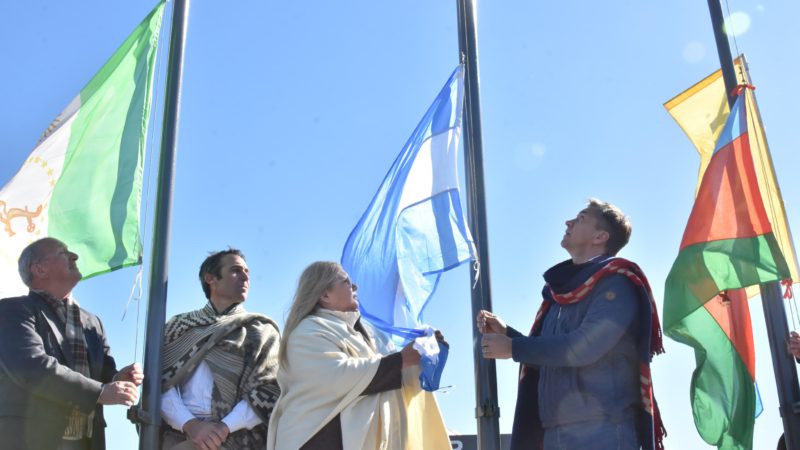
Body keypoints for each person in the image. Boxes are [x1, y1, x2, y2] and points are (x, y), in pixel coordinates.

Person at [477, 199, 665, 450]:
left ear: (600, 236)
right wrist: (507, 333)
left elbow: (585, 346)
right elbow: (550, 354)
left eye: (581, 218)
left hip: (605, 432)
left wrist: (512, 347)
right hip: (556, 435)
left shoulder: (617, 283)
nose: (569, 222)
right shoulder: (559, 295)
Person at [267, 261, 451, 450]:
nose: (355, 286)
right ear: (325, 294)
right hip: (318, 440)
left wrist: (424, 356)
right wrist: (402, 359)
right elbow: (335, 376)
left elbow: (396, 377)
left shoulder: (372, 333)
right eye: (346, 281)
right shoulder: (307, 331)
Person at [0, 237, 143, 450]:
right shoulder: (13, 311)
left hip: (86, 441)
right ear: (39, 269)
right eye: (62, 252)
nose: (74, 256)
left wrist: (117, 378)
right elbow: (31, 367)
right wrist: (101, 392)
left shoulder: (93, 323)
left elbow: (103, 374)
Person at [160, 249, 281, 450]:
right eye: (236, 270)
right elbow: (159, 383)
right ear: (211, 279)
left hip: (242, 439)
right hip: (181, 436)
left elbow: (268, 388)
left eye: (247, 272)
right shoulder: (179, 326)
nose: (245, 277)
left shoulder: (261, 330)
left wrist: (224, 427)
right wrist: (191, 425)